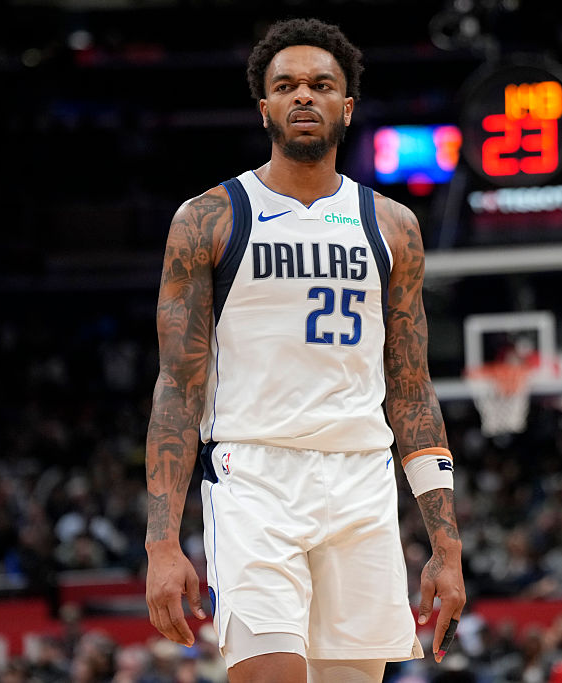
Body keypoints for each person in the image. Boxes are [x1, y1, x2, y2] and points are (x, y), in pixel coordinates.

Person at [142, 17, 465, 683]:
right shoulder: (210, 217)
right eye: (285, 85)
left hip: (361, 480)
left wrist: (446, 542)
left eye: (321, 85)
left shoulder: (394, 226)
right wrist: (162, 541)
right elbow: (177, 386)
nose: (303, 97)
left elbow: (411, 389)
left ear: (346, 106)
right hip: (254, 476)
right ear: (264, 107)